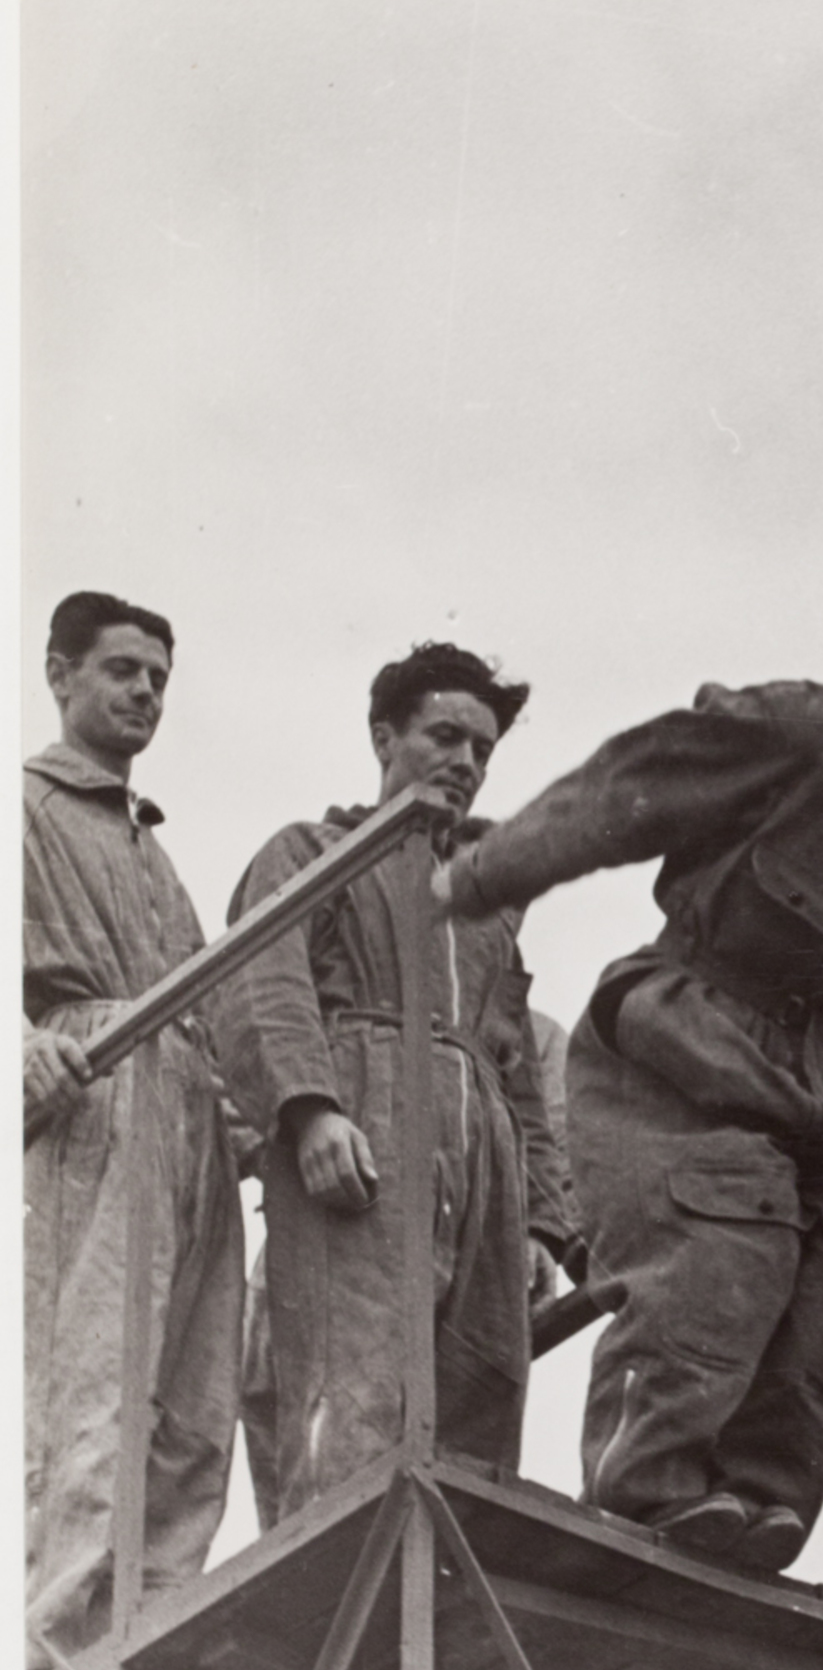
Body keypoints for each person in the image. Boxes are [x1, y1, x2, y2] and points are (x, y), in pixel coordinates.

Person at [436, 535, 823, 1573]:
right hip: (681, 1030)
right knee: (714, 1264)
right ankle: (648, 1488)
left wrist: (812, 1083)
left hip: (813, 1068)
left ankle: (757, 1500)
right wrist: (477, 878)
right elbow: (633, 788)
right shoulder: (805, 728)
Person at [213, 644, 574, 1516]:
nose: (466, 763)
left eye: (483, 750)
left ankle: (441, 1624)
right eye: (445, 736)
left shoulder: (482, 910)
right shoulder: (313, 850)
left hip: (478, 1158)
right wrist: (309, 1113)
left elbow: (516, 1064)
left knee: (482, 1393)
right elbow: (264, 978)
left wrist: (542, 1221)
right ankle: (348, 1612)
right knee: (353, 1383)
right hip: (363, 1125)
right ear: (385, 737)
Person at [23, 591, 244, 1670]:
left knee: (194, 1404)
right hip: (97, 1091)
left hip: (192, 1110)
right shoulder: (24, 806)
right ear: (61, 674)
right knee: (97, 1380)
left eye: (158, 677)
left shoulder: (157, 856)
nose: (145, 692)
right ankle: (55, 1644)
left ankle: (152, 1633)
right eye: (121, 670)